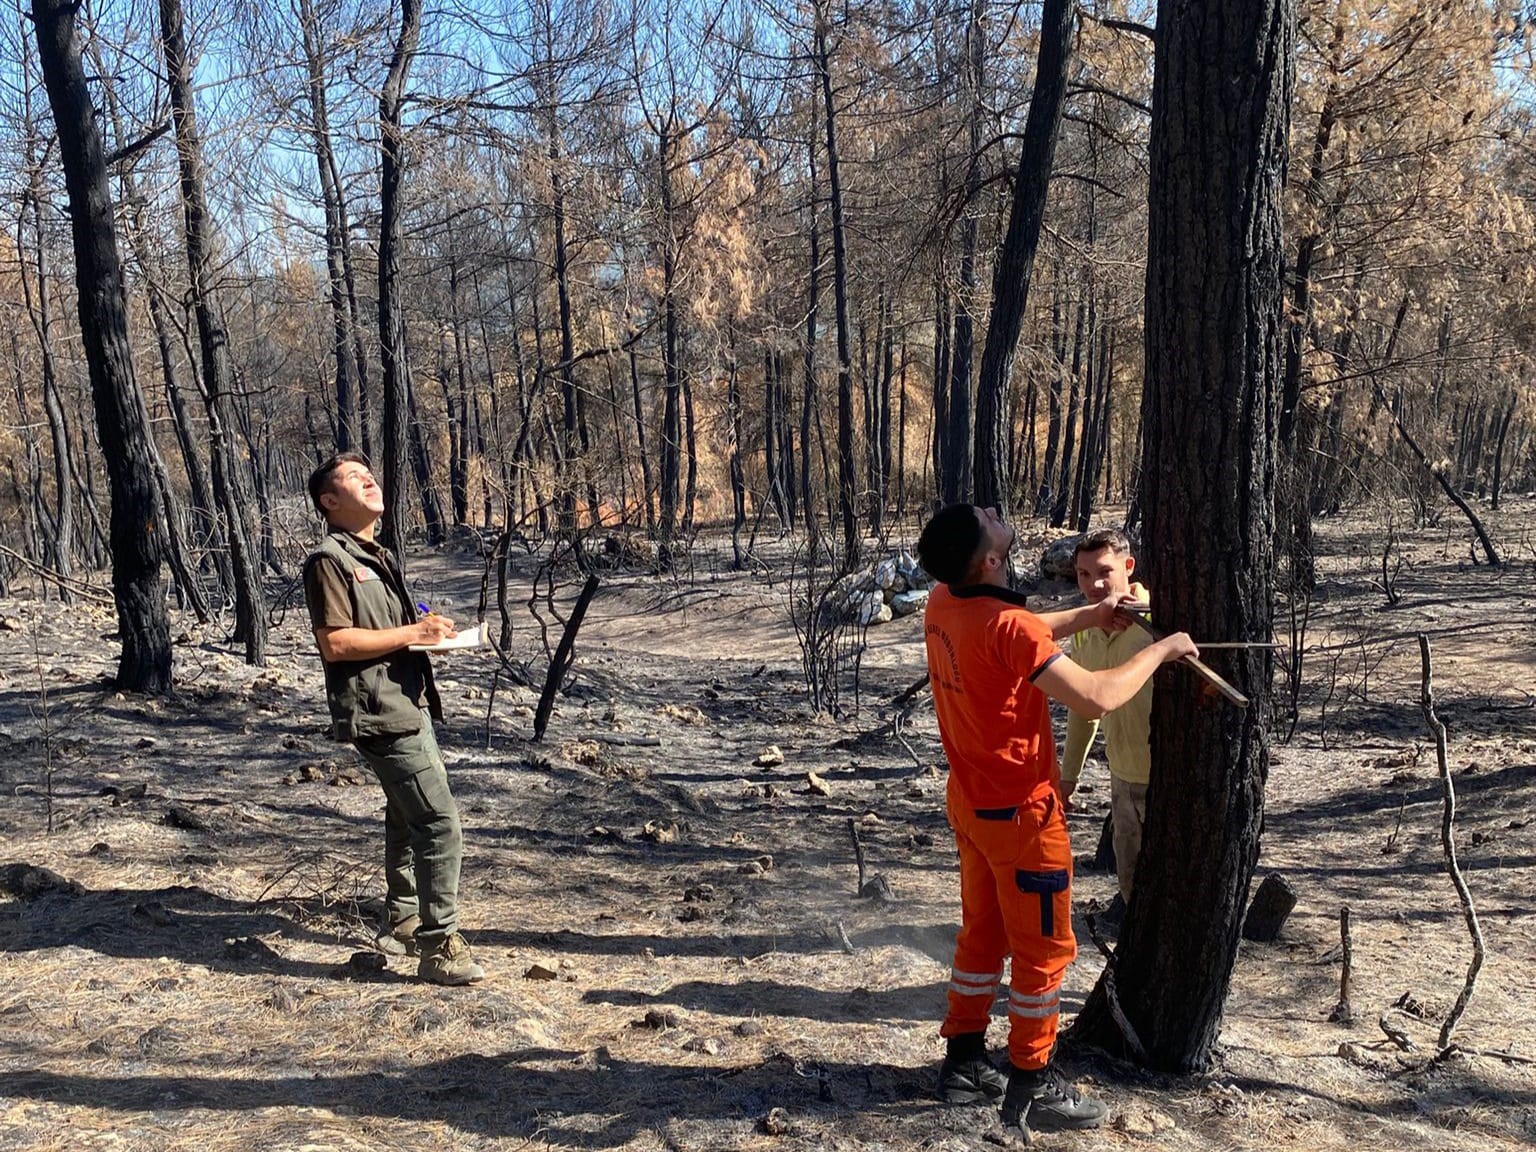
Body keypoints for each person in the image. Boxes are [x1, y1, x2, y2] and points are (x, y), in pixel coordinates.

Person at [916, 504, 1195, 1136]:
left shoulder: (943, 602)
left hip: (970, 806)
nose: (992, 511)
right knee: (1044, 954)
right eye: (987, 520)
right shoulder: (1008, 628)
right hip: (1022, 819)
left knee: (981, 936)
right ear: (990, 560)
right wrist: (1166, 650)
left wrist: (1092, 616)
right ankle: (1033, 1082)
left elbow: (1022, 627)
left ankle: (962, 1061)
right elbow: (1096, 695)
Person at [302, 452, 484, 986]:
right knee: (439, 823)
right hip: (379, 709)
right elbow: (335, 644)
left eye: (371, 474)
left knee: (407, 817)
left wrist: (427, 626)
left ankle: (403, 919)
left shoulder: (373, 553)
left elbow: (385, 624)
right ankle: (439, 947)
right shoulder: (328, 561)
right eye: (355, 479)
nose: (370, 481)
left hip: (408, 699)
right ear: (329, 502)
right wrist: (411, 635)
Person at [1061, 529, 1153, 921]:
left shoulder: (1156, 619)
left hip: (1171, 779)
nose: (1094, 584)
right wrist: (1068, 779)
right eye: (1083, 574)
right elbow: (1084, 709)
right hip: (1122, 779)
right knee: (1133, 886)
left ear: (1128, 567)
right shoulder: (1084, 629)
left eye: (1104, 571)